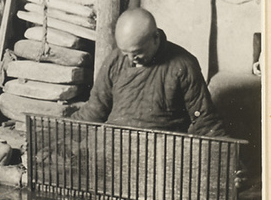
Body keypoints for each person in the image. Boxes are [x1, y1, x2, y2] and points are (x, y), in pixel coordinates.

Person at [72, 8, 227, 137]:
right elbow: (94, 110)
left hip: (164, 151)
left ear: (155, 38)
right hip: (116, 146)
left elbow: (205, 121)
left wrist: (231, 162)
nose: (131, 60)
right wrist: (63, 132)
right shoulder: (114, 60)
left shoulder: (184, 65)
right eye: (126, 53)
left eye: (137, 52)